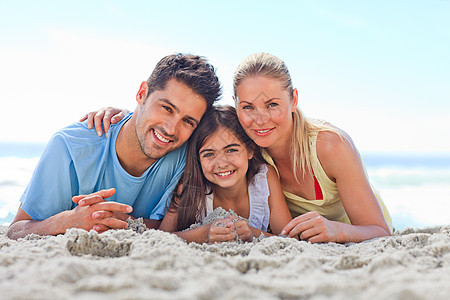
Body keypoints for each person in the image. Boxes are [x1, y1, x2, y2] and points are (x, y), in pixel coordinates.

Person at [86, 52, 393, 244]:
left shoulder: (329, 145)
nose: (260, 119)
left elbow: (380, 232)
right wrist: (123, 117)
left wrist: (338, 231)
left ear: (294, 100)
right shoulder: (249, 143)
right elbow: (189, 124)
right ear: (236, 108)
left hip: (350, 232)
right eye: (248, 107)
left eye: (273, 104)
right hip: (301, 236)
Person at [6, 53, 222, 240]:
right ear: (141, 93)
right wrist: (67, 221)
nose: (171, 129)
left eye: (188, 121)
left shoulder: (186, 157)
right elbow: (15, 231)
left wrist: (119, 220)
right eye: (166, 108)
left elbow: (168, 229)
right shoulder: (69, 147)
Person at [158, 106, 292, 243]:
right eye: (209, 154)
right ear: (198, 159)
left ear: (250, 150)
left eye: (231, 150)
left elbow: (288, 238)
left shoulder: (264, 178)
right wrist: (203, 234)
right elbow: (160, 237)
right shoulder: (189, 187)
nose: (221, 164)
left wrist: (253, 233)